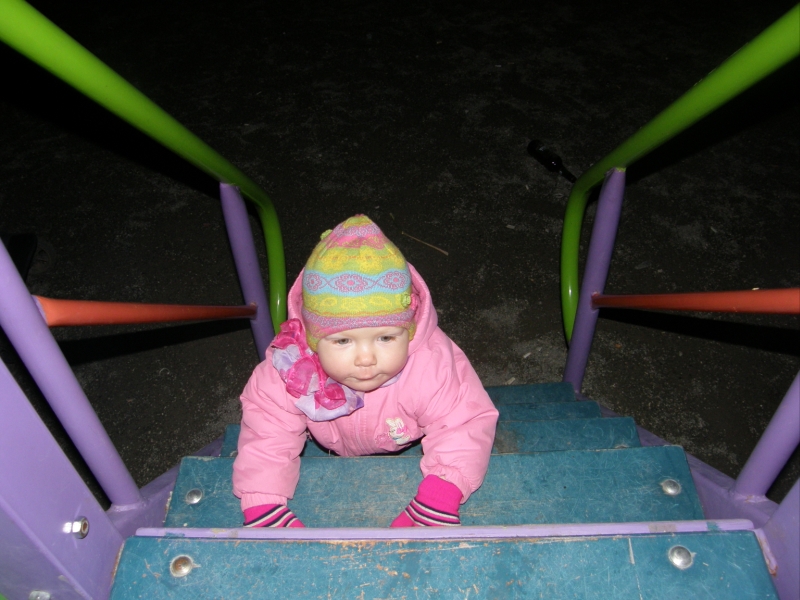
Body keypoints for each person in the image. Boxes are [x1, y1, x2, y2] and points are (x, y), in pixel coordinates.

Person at [232, 215, 498, 527]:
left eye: (386, 338)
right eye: (343, 340)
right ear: (313, 340)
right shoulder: (292, 370)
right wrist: (263, 502)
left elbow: (463, 423)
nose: (366, 358)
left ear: (410, 329)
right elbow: (267, 432)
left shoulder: (432, 364)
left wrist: (440, 495)